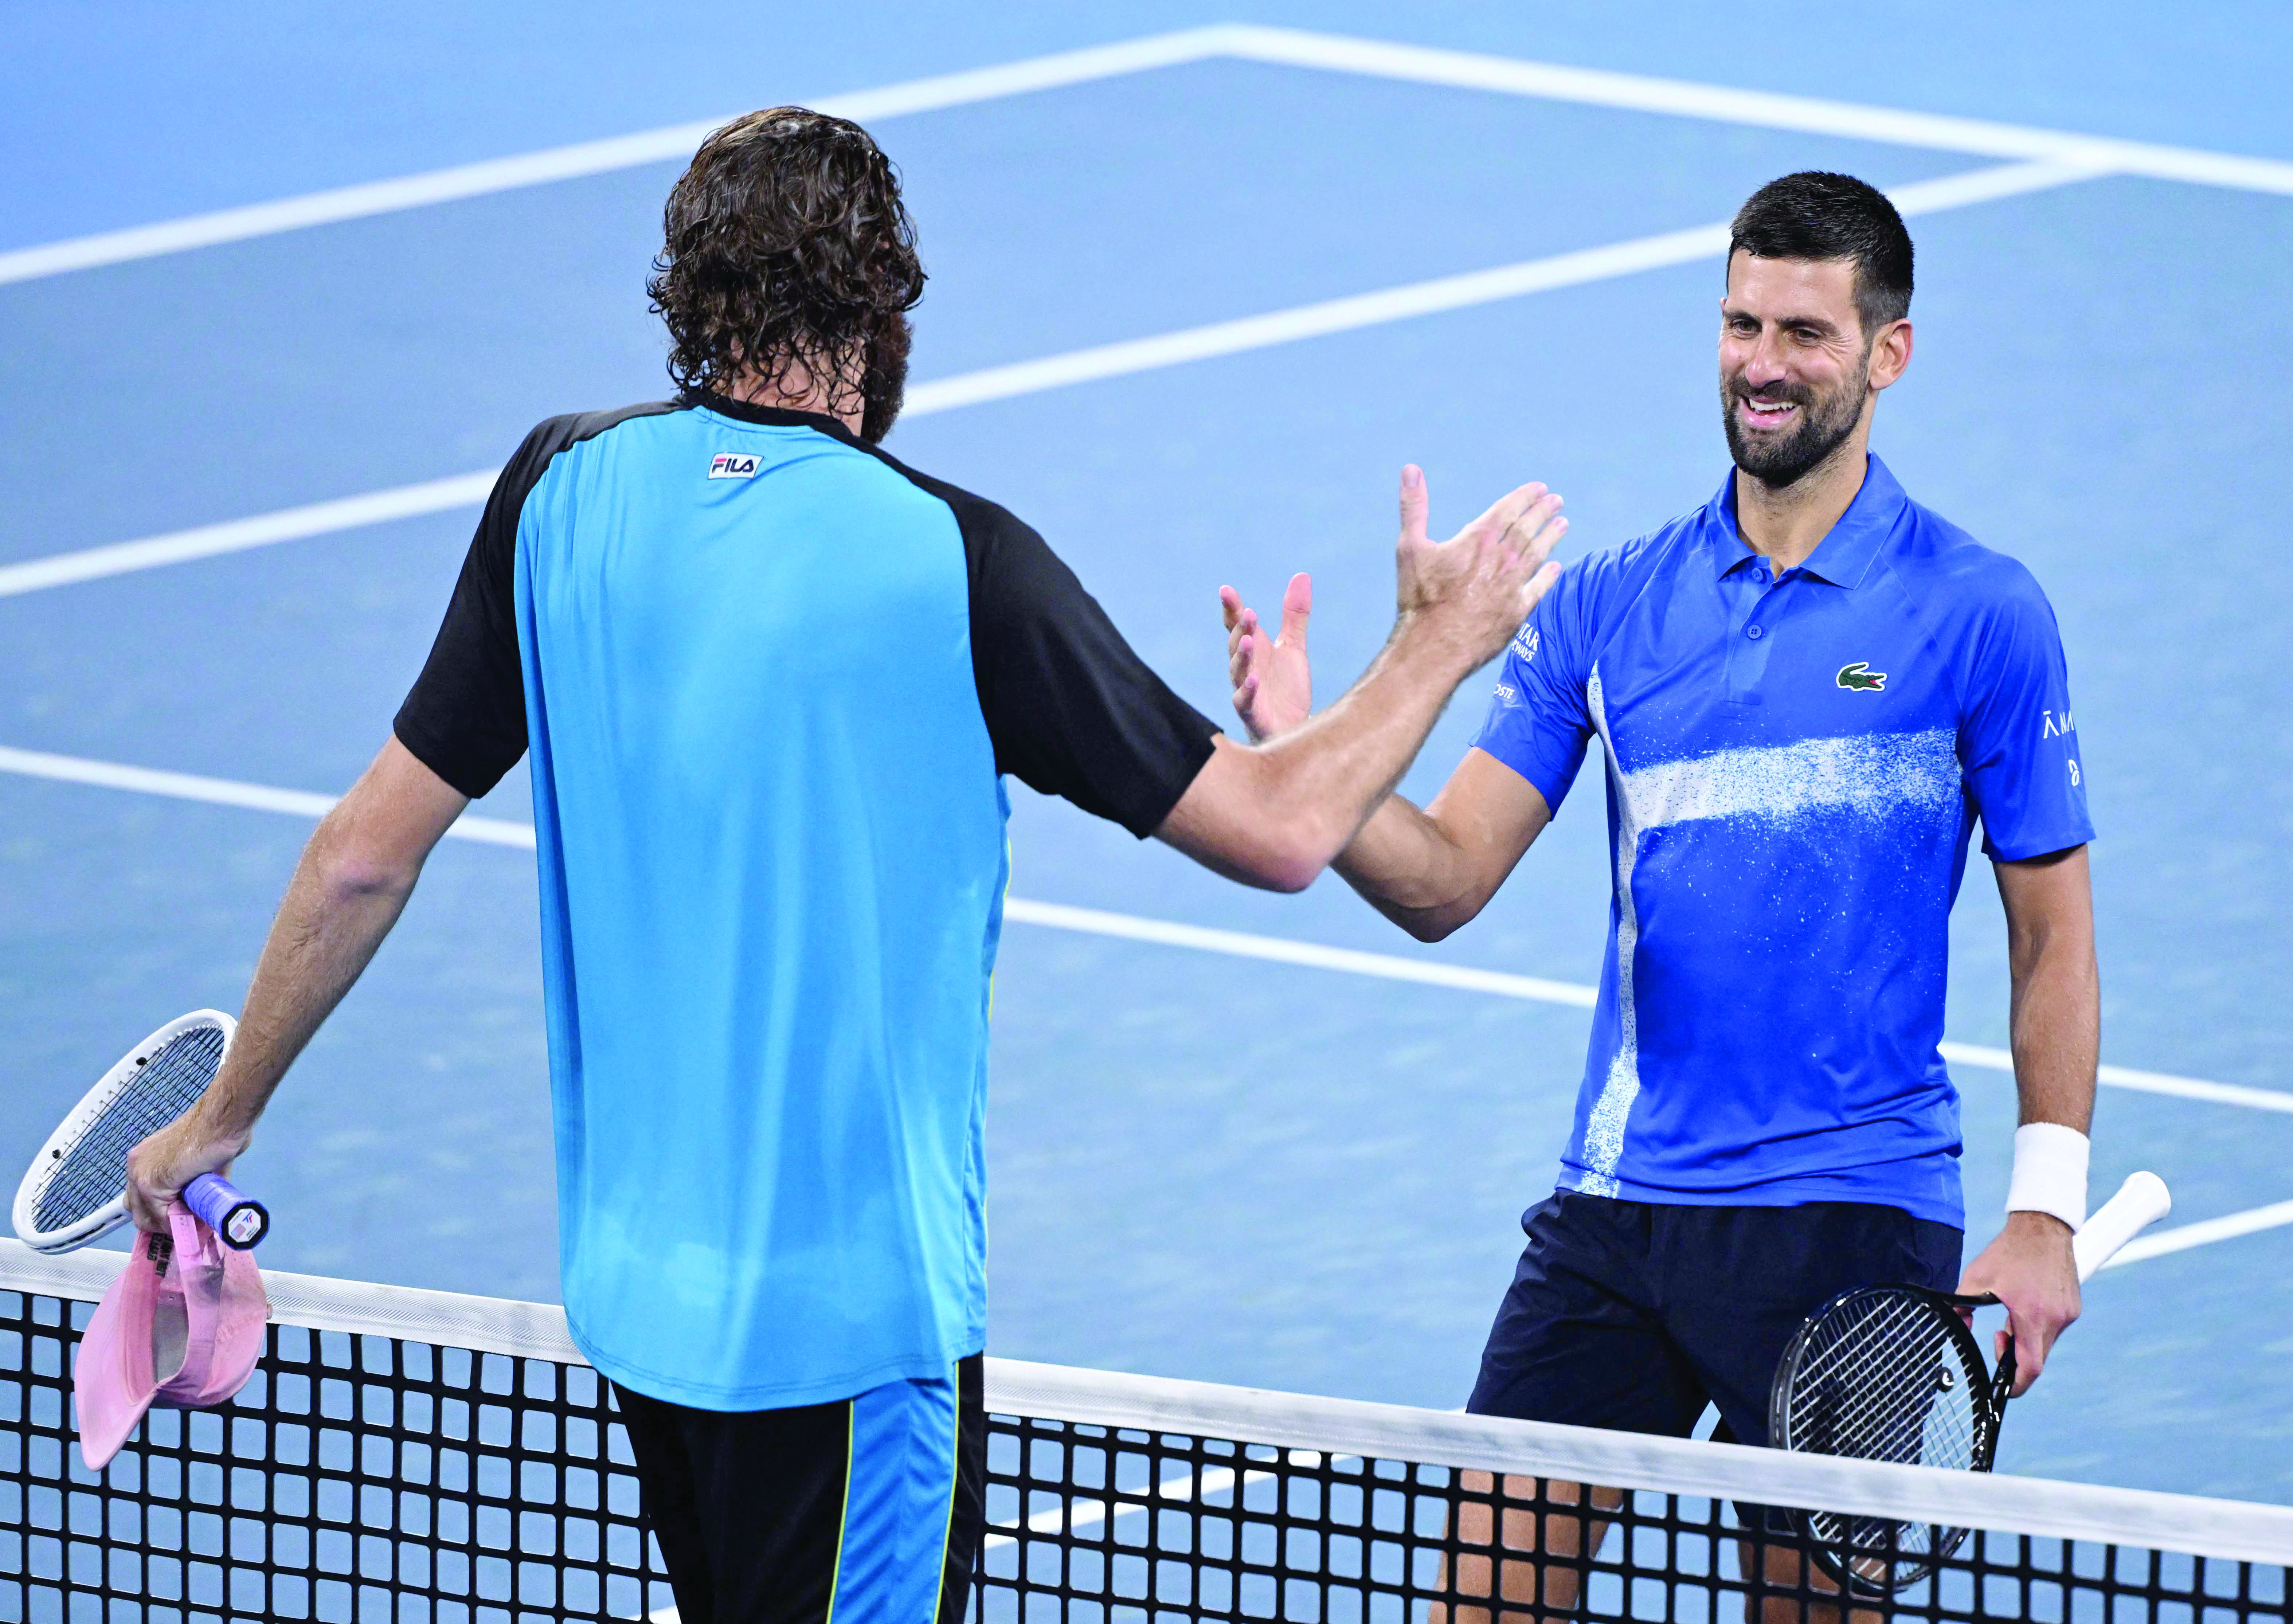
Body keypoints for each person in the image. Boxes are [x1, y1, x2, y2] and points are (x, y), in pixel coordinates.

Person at [124, 107, 1566, 1624]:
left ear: (686, 296)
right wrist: (1436, 645)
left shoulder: (556, 492)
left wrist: (218, 1122)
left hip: (642, 1315)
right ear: (887, 308)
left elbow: (361, 858)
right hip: (852, 1338)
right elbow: (1278, 829)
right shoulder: (954, 561)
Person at [1221, 171, 2098, 1621]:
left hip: (1852, 1219)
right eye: (1742, 321)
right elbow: (1441, 879)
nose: (1762, 363)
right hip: (1617, 1212)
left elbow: (2050, 928)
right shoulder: (1605, 608)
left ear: (1888, 353)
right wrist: (1315, 761)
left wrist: (2046, 1209)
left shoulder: (1979, 612)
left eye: (1806, 333)